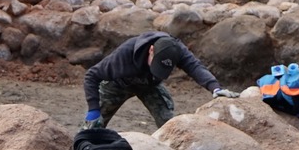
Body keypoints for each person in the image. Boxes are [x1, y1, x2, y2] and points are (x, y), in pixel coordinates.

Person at [82, 31, 232, 129]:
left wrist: (215, 88)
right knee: (93, 127)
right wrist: (93, 109)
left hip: (149, 85)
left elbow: (196, 67)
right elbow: (91, 76)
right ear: (151, 50)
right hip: (118, 84)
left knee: (169, 123)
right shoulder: (124, 55)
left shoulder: (176, 49)